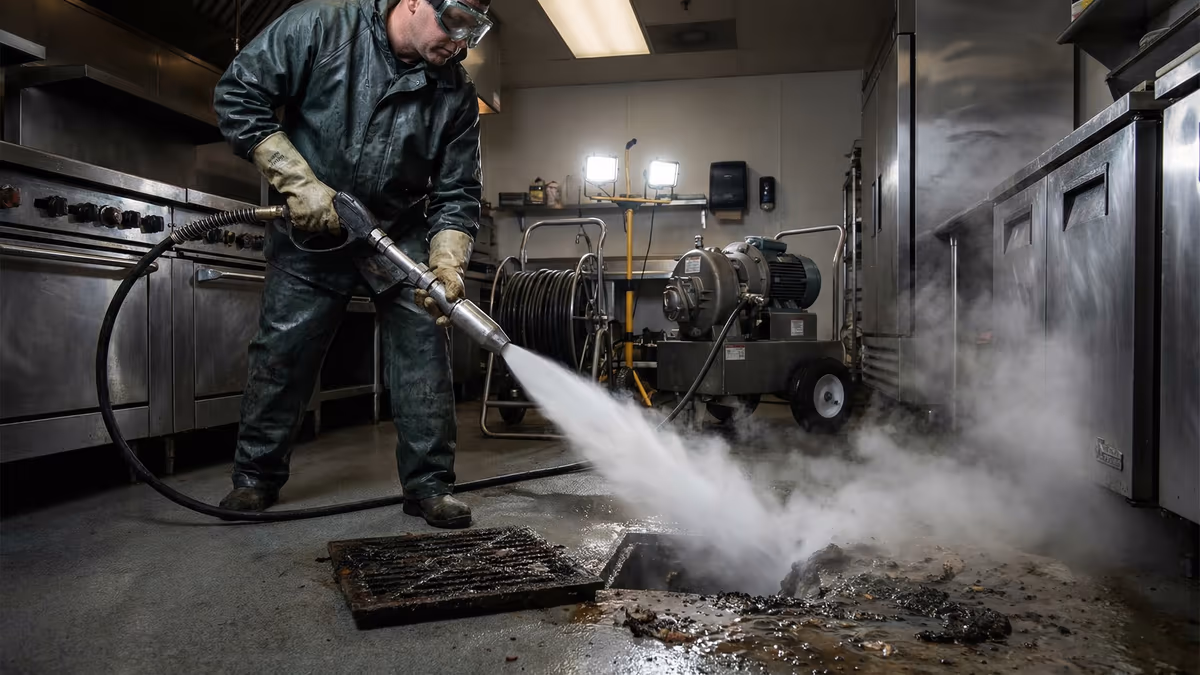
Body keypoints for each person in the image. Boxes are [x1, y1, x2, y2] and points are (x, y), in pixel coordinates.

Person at [212, 0, 493, 528]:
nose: (459, 44)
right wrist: (299, 183)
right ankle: (255, 478)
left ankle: (429, 487)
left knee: (422, 346)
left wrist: (447, 263)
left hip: (398, 233)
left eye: (473, 34)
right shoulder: (321, 25)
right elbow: (238, 94)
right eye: (453, 24)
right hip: (312, 225)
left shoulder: (455, 92)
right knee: (283, 353)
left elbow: (457, 191)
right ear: (414, 1)